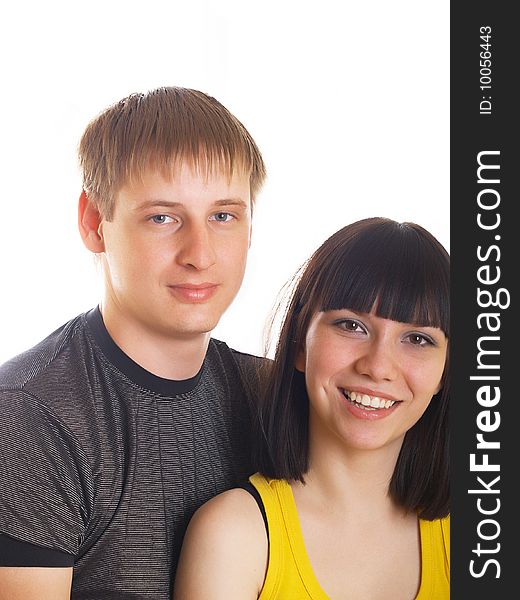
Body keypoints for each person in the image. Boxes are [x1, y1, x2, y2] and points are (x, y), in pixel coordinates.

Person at [0, 86, 267, 599]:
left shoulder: (271, 394)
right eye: (162, 217)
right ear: (93, 222)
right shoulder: (31, 416)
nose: (200, 254)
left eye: (223, 216)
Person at [173, 217, 450, 599]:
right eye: (351, 326)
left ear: (446, 373)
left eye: (417, 339)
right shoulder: (235, 536)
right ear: (301, 344)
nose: (378, 366)